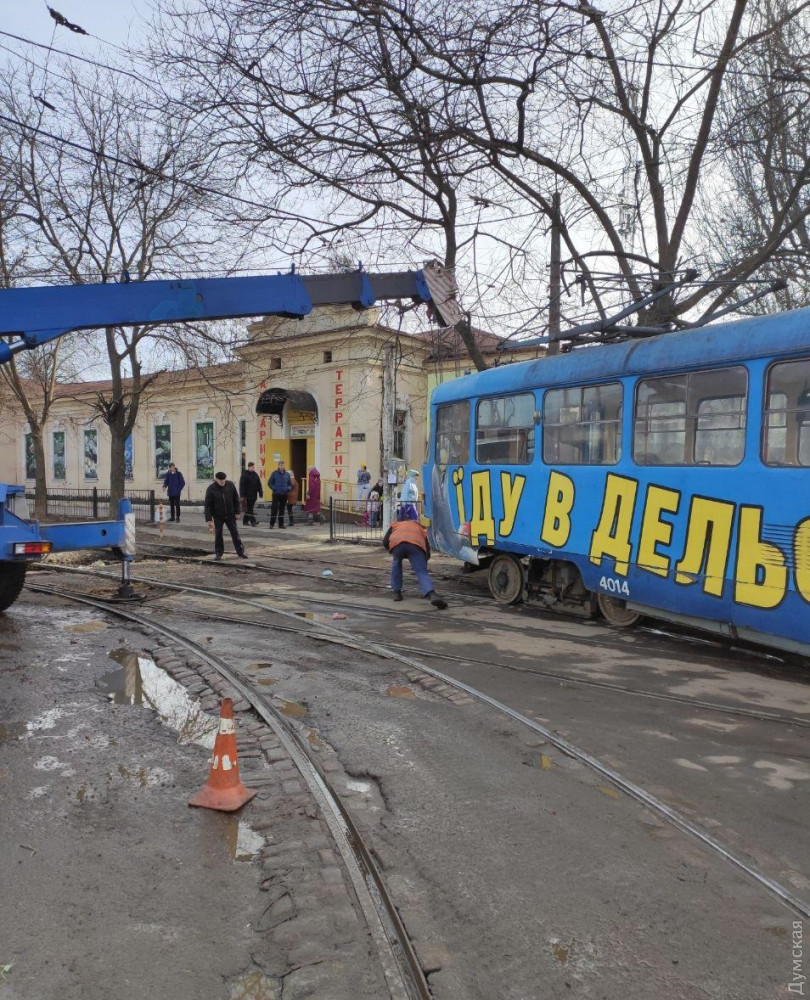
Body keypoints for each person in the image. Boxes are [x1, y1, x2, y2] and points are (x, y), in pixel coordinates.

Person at [382, 507, 447, 608]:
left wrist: (392, 551)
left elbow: (385, 541)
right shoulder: (419, 527)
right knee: (421, 572)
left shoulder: (395, 525)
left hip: (397, 545)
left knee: (396, 565)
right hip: (415, 546)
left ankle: (397, 593)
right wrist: (425, 560)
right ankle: (432, 594)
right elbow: (426, 547)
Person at [204, 471, 247, 560]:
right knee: (218, 534)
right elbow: (207, 505)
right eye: (221, 481)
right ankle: (218, 553)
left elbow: (236, 499)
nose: (223, 482)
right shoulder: (211, 489)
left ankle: (241, 552)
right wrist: (209, 518)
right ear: (216, 480)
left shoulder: (230, 485)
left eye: (224, 480)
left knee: (235, 533)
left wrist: (237, 512)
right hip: (218, 515)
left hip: (230, 514)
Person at [268, 460, 292, 529]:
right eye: (280, 465)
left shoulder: (287, 474)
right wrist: (274, 488)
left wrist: (288, 488)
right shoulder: (274, 473)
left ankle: (281, 524)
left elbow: (290, 484)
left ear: (284, 466)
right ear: (278, 466)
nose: (281, 466)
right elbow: (269, 483)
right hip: (276, 494)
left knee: (282, 510)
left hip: (284, 494)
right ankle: (271, 524)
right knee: (274, 509)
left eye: (283, 465)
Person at [239, 461, 264, 526]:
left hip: (254, 495)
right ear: (249, 467)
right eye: (252, 467)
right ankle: (253, 521)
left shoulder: (255, 474)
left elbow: (258, 484)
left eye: (254, 467)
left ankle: (245, 521)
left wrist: (260, 492)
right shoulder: (244, 475)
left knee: (249, 509)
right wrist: (242, 495)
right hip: (247, 496)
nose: (253, 468)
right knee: (250, 509)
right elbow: (242, 486)